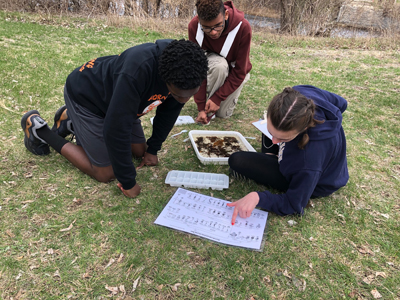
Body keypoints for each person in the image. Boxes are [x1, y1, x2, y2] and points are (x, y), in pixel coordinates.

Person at [21, 39, 208, 198]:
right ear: (164, 77)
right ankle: (40, 130)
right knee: (106, 173)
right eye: (177, 94)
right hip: (88, 99)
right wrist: (128, 182)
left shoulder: (186, 71)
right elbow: (116, 129)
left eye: (190, 94)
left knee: (139, 152)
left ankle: (70, 121)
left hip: (121, 105)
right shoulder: (137, 70)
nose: (184, 100)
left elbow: (168, 113)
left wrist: (153, 149)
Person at [227, 85, 349, 220]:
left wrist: (258, 197)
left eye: (283, 138)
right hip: (307, 160)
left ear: (304, 128)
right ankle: (277, 149)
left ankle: (279, 157)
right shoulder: (300, 95)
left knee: (238, 160)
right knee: (269, 138)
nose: (274, 141)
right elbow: (341, 103)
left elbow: (293, 204)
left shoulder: (308, 160)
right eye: (271, 132)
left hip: (318, 182)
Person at [188, 0, 252, 124]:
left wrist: (218, 98)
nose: (213, 32)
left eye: (218, 25)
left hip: (236, 72)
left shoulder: (243, 27)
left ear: (226, 15)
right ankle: (207, 108)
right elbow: (196, 67)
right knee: (219, 66)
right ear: (199, 20)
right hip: (214, 64)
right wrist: (200, 107)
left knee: (223, 114)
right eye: (206, 27)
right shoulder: (194, 27)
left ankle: (213, 101)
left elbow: (240, 71)